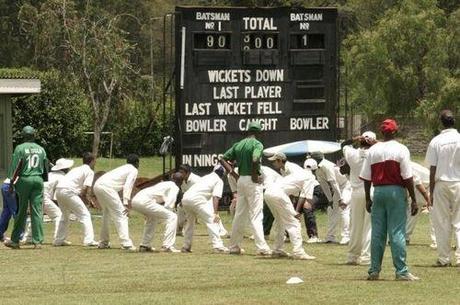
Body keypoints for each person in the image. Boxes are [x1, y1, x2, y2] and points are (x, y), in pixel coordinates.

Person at [360, 118, 419, 281]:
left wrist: (367, 198)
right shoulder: (401, 149)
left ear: (381, 132)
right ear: (395, 131)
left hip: (378, 192)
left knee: (378, 232)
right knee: (397, 232)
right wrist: (413, 198)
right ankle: (401, 271)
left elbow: (366, 177)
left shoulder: (373, 150)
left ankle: (374, 270)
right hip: (396, 191)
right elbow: (407, 176)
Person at [219, 120, 272, 256]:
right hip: (252, 181)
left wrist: (233, 173)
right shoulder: (257, 144)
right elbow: (255, 159)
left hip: (241, 179)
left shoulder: (239, 144)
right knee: (256, 215)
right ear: (258, 132)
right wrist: (255, 175)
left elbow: (222, 158)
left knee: (239, 215)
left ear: (248, 131)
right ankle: (262, 247)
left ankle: (234, 246)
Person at [4, 126, 49, 249]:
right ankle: (38, 241)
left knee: (21, 211)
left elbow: (16, 167)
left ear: (23, 136)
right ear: (34, 135)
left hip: (24, 180)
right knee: (37, 211)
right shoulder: (41, 149)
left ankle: (15, 240)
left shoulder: (20, 148)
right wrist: (42, 180)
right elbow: (45, 168)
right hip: (38, 180)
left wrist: (12, 183)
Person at [425, 110, 460, 267]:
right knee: (459, 221)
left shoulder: (436, 141)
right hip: (459, 182)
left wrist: (430, 192)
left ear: (441, 122)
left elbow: (432, 169)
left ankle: (444, 258)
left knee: (442, 222)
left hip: (441, 184)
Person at [263, 168, 317, 260]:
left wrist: (293, 210)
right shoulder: (311, 177)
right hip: (278, 194)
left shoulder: (297, 174)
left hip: (268, 193)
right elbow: (306, 196)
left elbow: (294, 194)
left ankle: (277, 250)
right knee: (294, 223)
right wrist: (296, 211)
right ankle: (298, 252)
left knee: (280, 222)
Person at [341, 131, 376, 265]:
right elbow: (386, 147)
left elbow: (343, 144)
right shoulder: (375, 154)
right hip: (372, 190)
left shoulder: (352, 153)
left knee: (355, 225)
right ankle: (366, 256)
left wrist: (355, 138)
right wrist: (374, 142)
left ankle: (352, 256)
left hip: (355, 192)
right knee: (369, 226)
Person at [93, 154, 139, 251]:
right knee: (122, 214)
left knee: (107, 214)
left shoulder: (124, 168)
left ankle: (103, 242)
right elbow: (128, 185)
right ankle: (126, 243)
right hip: (106, 188)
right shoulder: (133, 170)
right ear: (137, 163)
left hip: (97, 185)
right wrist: (126, 202)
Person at [22, 158, 73, 243]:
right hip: (44, 197)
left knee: (36, 216)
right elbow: (58, 196)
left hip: (34, 196)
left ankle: (28, 237)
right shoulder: (62, 177)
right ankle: (59, 238)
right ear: (65, 169)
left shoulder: (49, 174)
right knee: (58, 216)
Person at [181, 165, 229, 253]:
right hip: (196, 200)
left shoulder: (207, 177)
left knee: (189, 223)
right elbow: (216, 197)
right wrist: (215, 213)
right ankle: (218, 246)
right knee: (212, 220)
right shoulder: (218, 180)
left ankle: (186, 246)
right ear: (223, 173)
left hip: (186, 199)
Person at [131, 173, 183, 253]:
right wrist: (166, 216)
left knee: (152, 218)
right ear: (181, 182)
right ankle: (168, 246)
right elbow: (169, 205)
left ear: (172, 178)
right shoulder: (174, 187)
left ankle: (145, 245)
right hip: (145, 201)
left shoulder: (165, 183)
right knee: (172, 217)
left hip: (136, 199)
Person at [54, 153, 98, 246]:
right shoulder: (89, 171)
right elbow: (86, 188)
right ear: (92, 161)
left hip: (58, 190)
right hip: (69, 192)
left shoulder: (76, 169)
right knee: (85, 215)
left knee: (64, 216)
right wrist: (88, 200)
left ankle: (59, 240)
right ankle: (89, 240)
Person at [310, 151, 350, 244]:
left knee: (343, 209)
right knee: (331, 210)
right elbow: (324, 185)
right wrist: (330, 200)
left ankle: (346, 236)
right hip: (338, 187)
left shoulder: (326, 165)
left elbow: (333, 182)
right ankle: (330, 237)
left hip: (346, 185)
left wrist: (340, 199)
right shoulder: (316, 168)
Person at [405, 162, 431, 245]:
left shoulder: (405, 165)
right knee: (409, 210)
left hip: (427, 185)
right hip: (423, 184)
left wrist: (427, 199)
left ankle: (405, 237)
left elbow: (418, 184)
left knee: (412, 211)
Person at [302, 159, 322, 243]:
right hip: (304, 191)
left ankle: (314, 236)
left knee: (308, 209)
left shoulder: (310, 176)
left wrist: (307, 200)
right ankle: (288, 235)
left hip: (315, 190)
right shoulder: (301, 173)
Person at [177, 164, 201, 234]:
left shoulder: (196, 180)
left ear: (188, 173)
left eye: (182, 173)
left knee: (210, 216)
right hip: (190, 200)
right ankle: (180, 228)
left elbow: (200, 193)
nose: (180, 174)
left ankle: (220, 231)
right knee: (179, 207)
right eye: (179, 172)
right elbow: (184, 192)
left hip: (202, 199)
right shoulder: (182, 180)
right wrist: (182, 201)